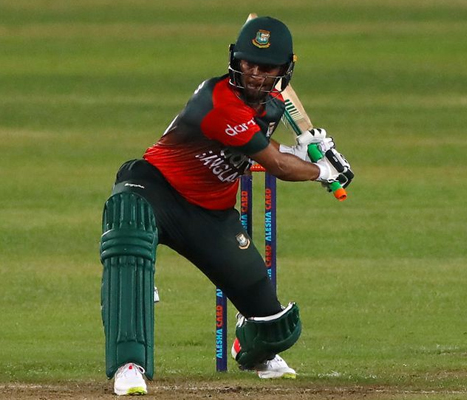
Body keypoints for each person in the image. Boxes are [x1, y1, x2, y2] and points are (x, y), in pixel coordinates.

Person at [99, 16, 353, 396]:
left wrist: (302, 151)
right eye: (248, 63)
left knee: (274, 326)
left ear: (284, 70)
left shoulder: (270, 108)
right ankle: (128, 365)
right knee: (128, 225)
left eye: (266, 68)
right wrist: (320, 169)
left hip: (212, 215)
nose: (253, 74)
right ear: (236, 59)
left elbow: (262, 151)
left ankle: (250, 350)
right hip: (156, 188)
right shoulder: (218, 102)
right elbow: (277, 165)